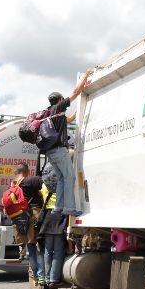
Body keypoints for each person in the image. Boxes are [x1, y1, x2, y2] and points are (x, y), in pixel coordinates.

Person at [45, 70, 92, 217]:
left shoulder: (49, 113)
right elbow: (76, 92)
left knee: (61, 179)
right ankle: (69, 208)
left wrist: (80, 110)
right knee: (69, 177)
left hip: (50, 152)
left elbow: (69, 119)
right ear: (60, 100)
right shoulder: (58, 107)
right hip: (59, 151)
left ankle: (58, 207)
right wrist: (85, 77)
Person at [12, 163, 45, 286]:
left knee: (31, 248)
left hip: (20, 218)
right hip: (33, 215)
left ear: (16, 172)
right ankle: (42, 276)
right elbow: (50, 185)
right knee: (38, 246)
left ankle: (35, 276)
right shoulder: (32, 180)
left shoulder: (13, 184)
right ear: (27, 171)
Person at [37, 166, 67, 289]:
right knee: (58, 251)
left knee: (48, 251)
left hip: (48, 218)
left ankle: (46, 277)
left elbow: (41, 195)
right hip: (59, 217)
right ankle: (54, 279)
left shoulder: (44, 186)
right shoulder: (63, 185)